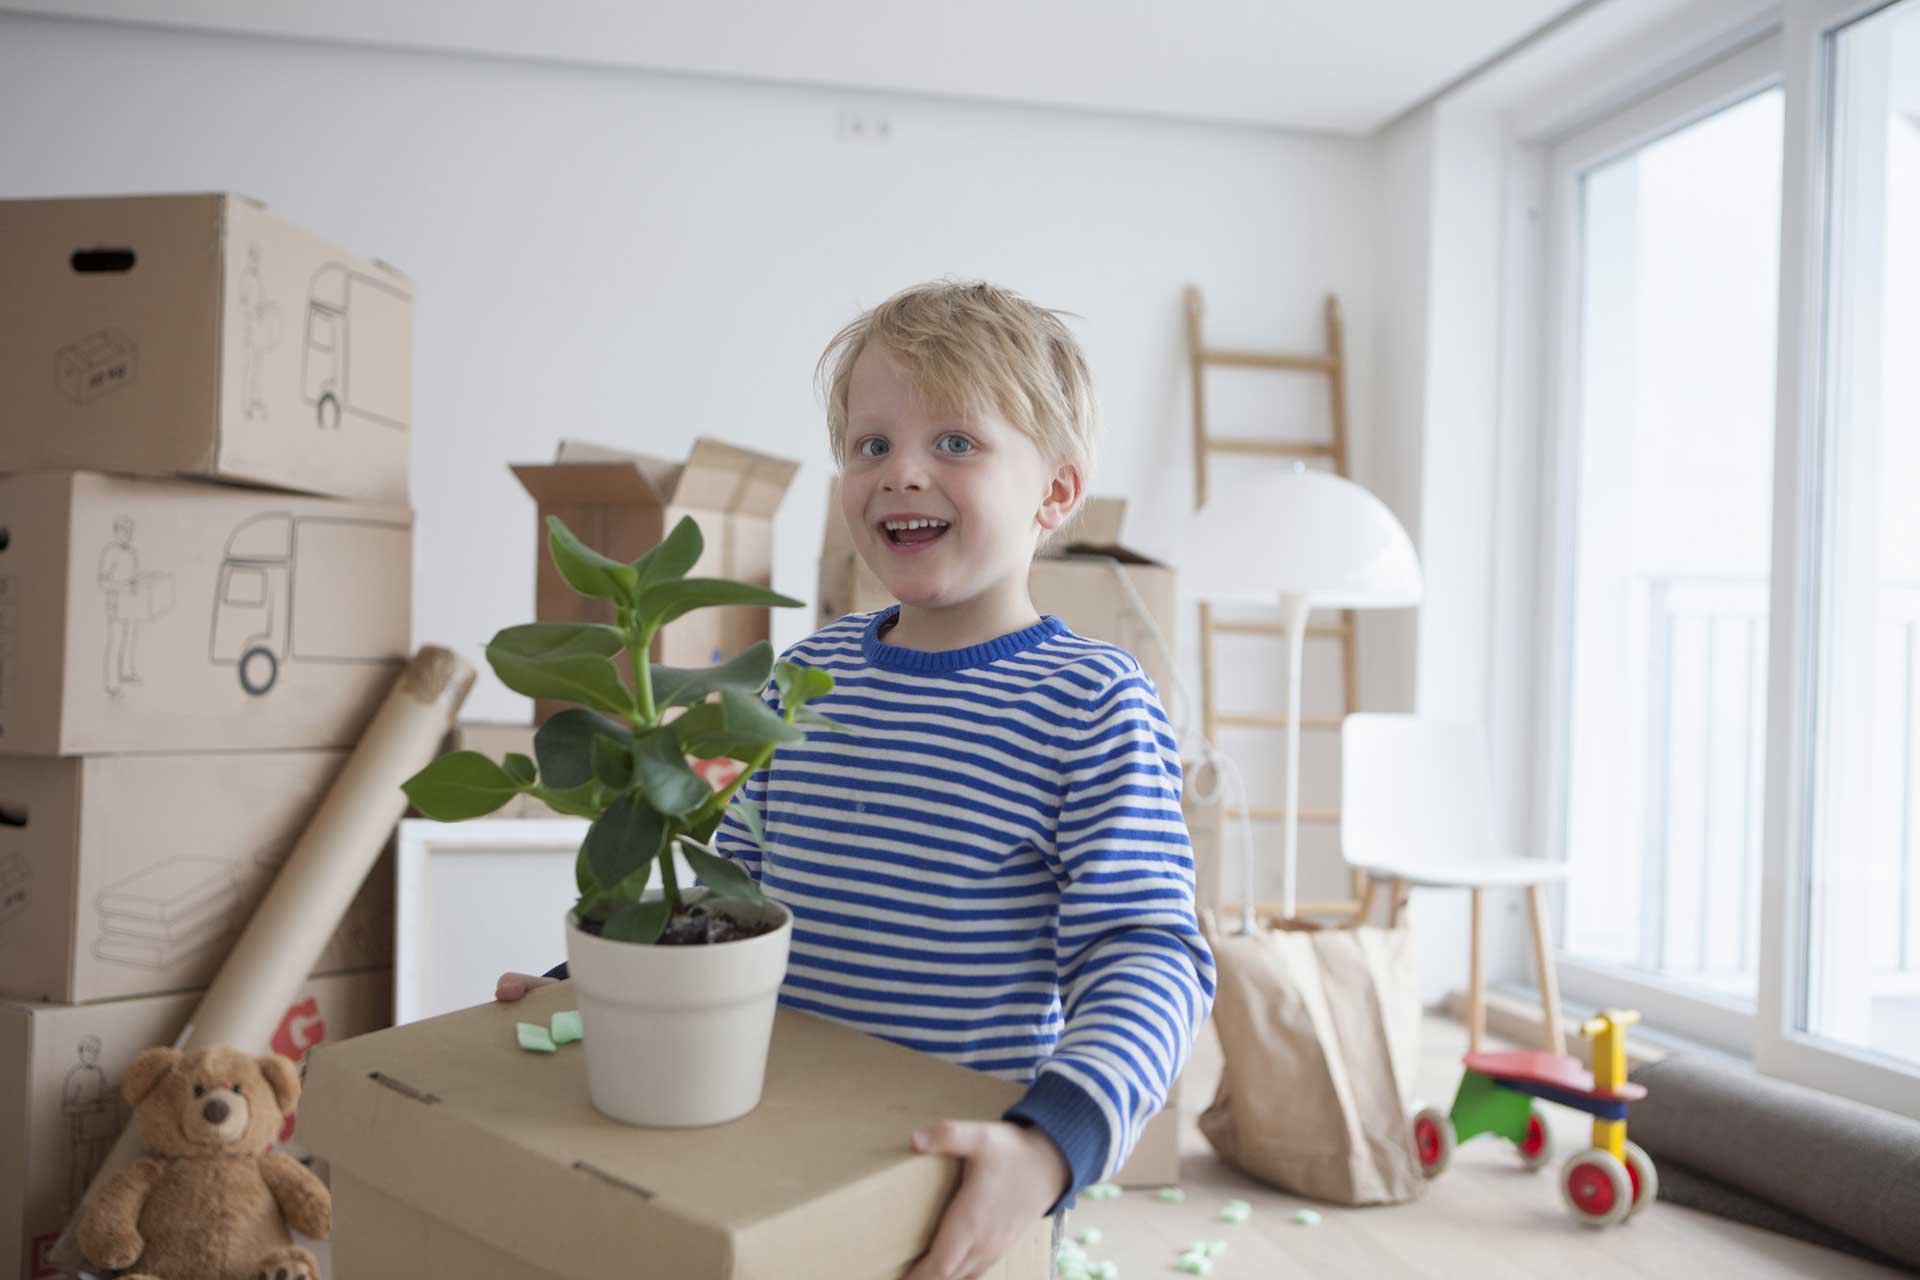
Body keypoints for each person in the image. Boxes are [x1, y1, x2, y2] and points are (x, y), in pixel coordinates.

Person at [498, 280, 1215, 1278]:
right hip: (762, 1137)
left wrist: (1050, 1144)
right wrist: (605, 984)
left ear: (1055, 492)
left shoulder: (1093, 701)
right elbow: (729, 883)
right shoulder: (806, 674)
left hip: (950, 1171)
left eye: (956, 443)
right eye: (871, 444)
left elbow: (1148, 949)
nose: (901, 473)